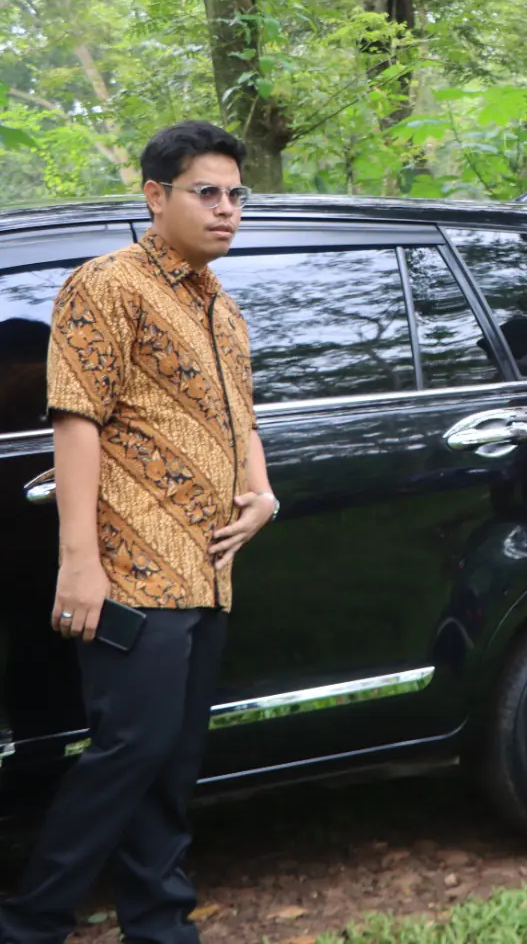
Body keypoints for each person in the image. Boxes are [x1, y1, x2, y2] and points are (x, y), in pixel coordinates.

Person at [0, 121, 275, 944]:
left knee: (172, 758)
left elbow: (242, 421)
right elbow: (74, 420)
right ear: (155, 196)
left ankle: (160, 923)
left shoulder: (222, 308)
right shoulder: (106, 285)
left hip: (209, 566)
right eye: (207, 192)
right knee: (132, 747)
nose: (226, 209)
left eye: (235, 195)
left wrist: (262, 492)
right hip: (134, 569)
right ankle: (31, 922)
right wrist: (79, 565)